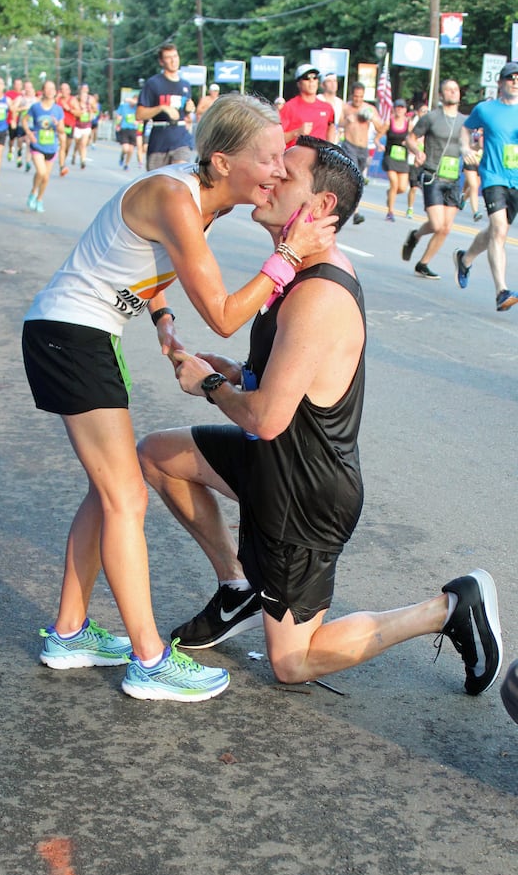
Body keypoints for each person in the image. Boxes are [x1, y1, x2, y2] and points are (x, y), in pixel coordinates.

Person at [137, 137, 503, 700]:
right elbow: (289, 381)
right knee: (158, 455)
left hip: (304, 495)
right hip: (274, 464)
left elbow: (266, 419)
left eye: (287, 175)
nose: (270, 177)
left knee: (293, 662)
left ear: (322, 207)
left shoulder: (318, 293)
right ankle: (238, 587)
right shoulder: (294, 269)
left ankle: (449, 607)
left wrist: (208, 386)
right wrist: (235, 370)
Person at [21, 95, 337, 702]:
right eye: (268, 158)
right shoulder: (175, 196)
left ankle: (68, 632)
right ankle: (149, 660)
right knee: (125, 496)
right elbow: (222, 316)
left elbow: (135, 258)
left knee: (106, 491)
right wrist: (288, 257)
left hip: (82, 335)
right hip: (70, 336)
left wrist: (162, 317)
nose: (277, 171)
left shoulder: (200, 201)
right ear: (221, 161)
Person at [453, 62, 518, 312]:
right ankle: (502, 291)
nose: (514, 81)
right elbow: (465, 129)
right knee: (500, 229)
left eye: (517, 78)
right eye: (510, 78)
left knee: (494, 231)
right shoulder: (486, 109)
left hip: (516, 179)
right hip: (494, 177)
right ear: (500, 83)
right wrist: (466, 148)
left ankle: (465, 258)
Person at [401, 79, 466, 279]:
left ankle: (423, 263)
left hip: (454, 178)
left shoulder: (466, 121)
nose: (453, 92)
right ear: (441, 95)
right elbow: (410, 138)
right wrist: (417, 151)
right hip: (433, 176)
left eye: (455, 89)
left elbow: (473, 142)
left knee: (445, 229)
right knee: (437, 225)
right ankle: (416, 235)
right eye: (448, 90)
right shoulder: (431, 118)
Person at [136, 43, 195, 170]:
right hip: (159, 140)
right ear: (161, 62)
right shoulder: (153, 83)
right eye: (169, 57)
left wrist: (189, 109)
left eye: (175, 56)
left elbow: (187, 116)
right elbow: (139, 114)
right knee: (158, 185)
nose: (173, 60)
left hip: (181, 138)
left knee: (180, 176)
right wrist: (161, 108)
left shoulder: (185, 85)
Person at [340, 81, 385, 224]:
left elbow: (381, 128)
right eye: (355, 96)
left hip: (363, 148)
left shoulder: (369, 108)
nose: (358, 100)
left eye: (360, 97)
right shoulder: (346, 107)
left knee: (357, 180)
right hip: (349, 145)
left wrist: (372, 119)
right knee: (353, 176)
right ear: (352, 95)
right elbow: (339, 124)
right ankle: (356, 212)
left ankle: (349, 205)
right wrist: (348, 120)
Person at [23, 79, 65, 213]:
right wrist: (29, 133)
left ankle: (39, 199)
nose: (50, 91)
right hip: (37, 145)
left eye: (52, 89)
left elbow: (62, 130)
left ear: (55, 92)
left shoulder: (58, 110)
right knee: (41, 172)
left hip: (51, 146)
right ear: (43, 90)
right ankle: (33, 192)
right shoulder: (36, 107)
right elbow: (24, 120)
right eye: (47, 88)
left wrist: (56, 123)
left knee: (46, 176)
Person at [279, 64, 336, 150]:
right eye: (307, 78)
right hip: (297, 158)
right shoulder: (289, 107)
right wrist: (297, 132)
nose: (311, 81)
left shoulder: (327, 108)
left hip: (320, 159)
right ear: (299, 83)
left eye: (315, 78)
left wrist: (331, 147)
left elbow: (331, 126)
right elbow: (278, 139)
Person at [375, 98, 411, 221]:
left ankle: (390, 194)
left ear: (405, 110)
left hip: (402, 157)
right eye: (397, 107)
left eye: (402, 107)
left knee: (402, 188)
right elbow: (377, 138)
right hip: (390, 156)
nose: (399, 110)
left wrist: (411, 144)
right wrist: (379, 145)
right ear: (394, 109)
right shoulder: (389, 123)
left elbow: (414, 138)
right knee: (394, 183)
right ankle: (390, 212)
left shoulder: (408, 124)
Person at [406, 102, 428, 218]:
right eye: (423, 111)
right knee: (414, 187)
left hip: (426, 160)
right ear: (418, 112)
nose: (425, 114)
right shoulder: (412, 125)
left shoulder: (430, 126)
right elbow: (409, 139)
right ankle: (410, 208)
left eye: (427, 111)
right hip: (413, 158)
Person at [71, 84, 97, 169]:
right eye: (83, 89)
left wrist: (92, 111)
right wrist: (79, 111)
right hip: (77, 125)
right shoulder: (75, 99)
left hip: (87, 125)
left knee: (83, 144)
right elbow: (72, 110)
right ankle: (74, 154)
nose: (85, 91)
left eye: (86, 89)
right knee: (77, 143)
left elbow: (95, 109)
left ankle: (83, 161)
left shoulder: (91, 99)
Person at [460, 127, 483, 222]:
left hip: (482, 163)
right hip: (471, 160)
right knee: (474, 186)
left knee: (476, 185)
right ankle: (476, 212)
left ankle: (464, 198)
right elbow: (469, 145)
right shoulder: (474, 133)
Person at [56, 82, 76, 177]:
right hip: (61, 126)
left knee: (67, 147)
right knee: (62, 146)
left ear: (69, 91)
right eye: (61, 89)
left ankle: (63, 159)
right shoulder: (57, 100)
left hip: (70, 126)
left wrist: (69, 109)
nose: (63, 91)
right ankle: (61, 166)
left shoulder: (73, 100)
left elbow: (79, 113)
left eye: (65, 89)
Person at [114, 94, 139, 171]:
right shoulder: (124, 106)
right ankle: (122, 155)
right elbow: (118, 114)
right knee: (125, 149)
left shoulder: (137, 108)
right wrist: (118, 122)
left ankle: (126, 164)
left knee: (131, 150)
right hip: (124, 129)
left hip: (133, 129)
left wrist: (137, 121)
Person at [317, 72, 344, 136]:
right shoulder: (317, 100)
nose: (333, 84)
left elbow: (341, 123)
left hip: (335, 141)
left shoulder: (340, 102)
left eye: (335, 81)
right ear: (322, 85)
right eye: (329, 81)